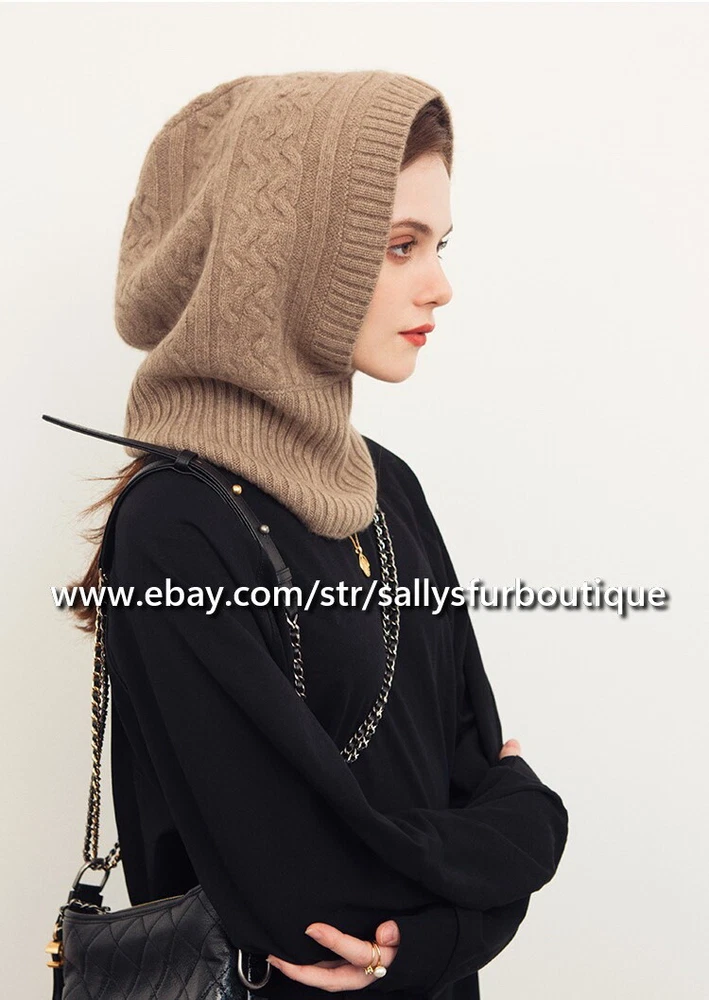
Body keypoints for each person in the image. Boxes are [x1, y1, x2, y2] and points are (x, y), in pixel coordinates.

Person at [67, 70, 569, 1000]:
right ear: (285, 263)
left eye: (439, 245)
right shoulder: (175, 527)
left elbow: (489, 777)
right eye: (399, 247)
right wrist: (510, 848)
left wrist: (444, 919)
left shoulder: (387, 486)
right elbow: (301, 897)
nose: (440, 286)